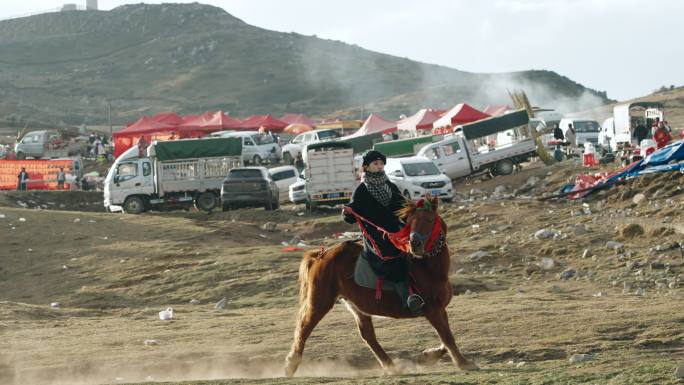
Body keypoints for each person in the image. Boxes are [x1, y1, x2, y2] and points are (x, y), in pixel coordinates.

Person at [342, 150, 425, 314]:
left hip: (398, 233)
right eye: (375, 164)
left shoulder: (390, 186)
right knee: (393, 260)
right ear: (366, 167)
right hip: (376, 240)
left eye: (381, 164)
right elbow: (352, 217)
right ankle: (408, 299)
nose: (380, 167)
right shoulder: (361, 192)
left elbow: (403, 207)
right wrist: (346, 214)